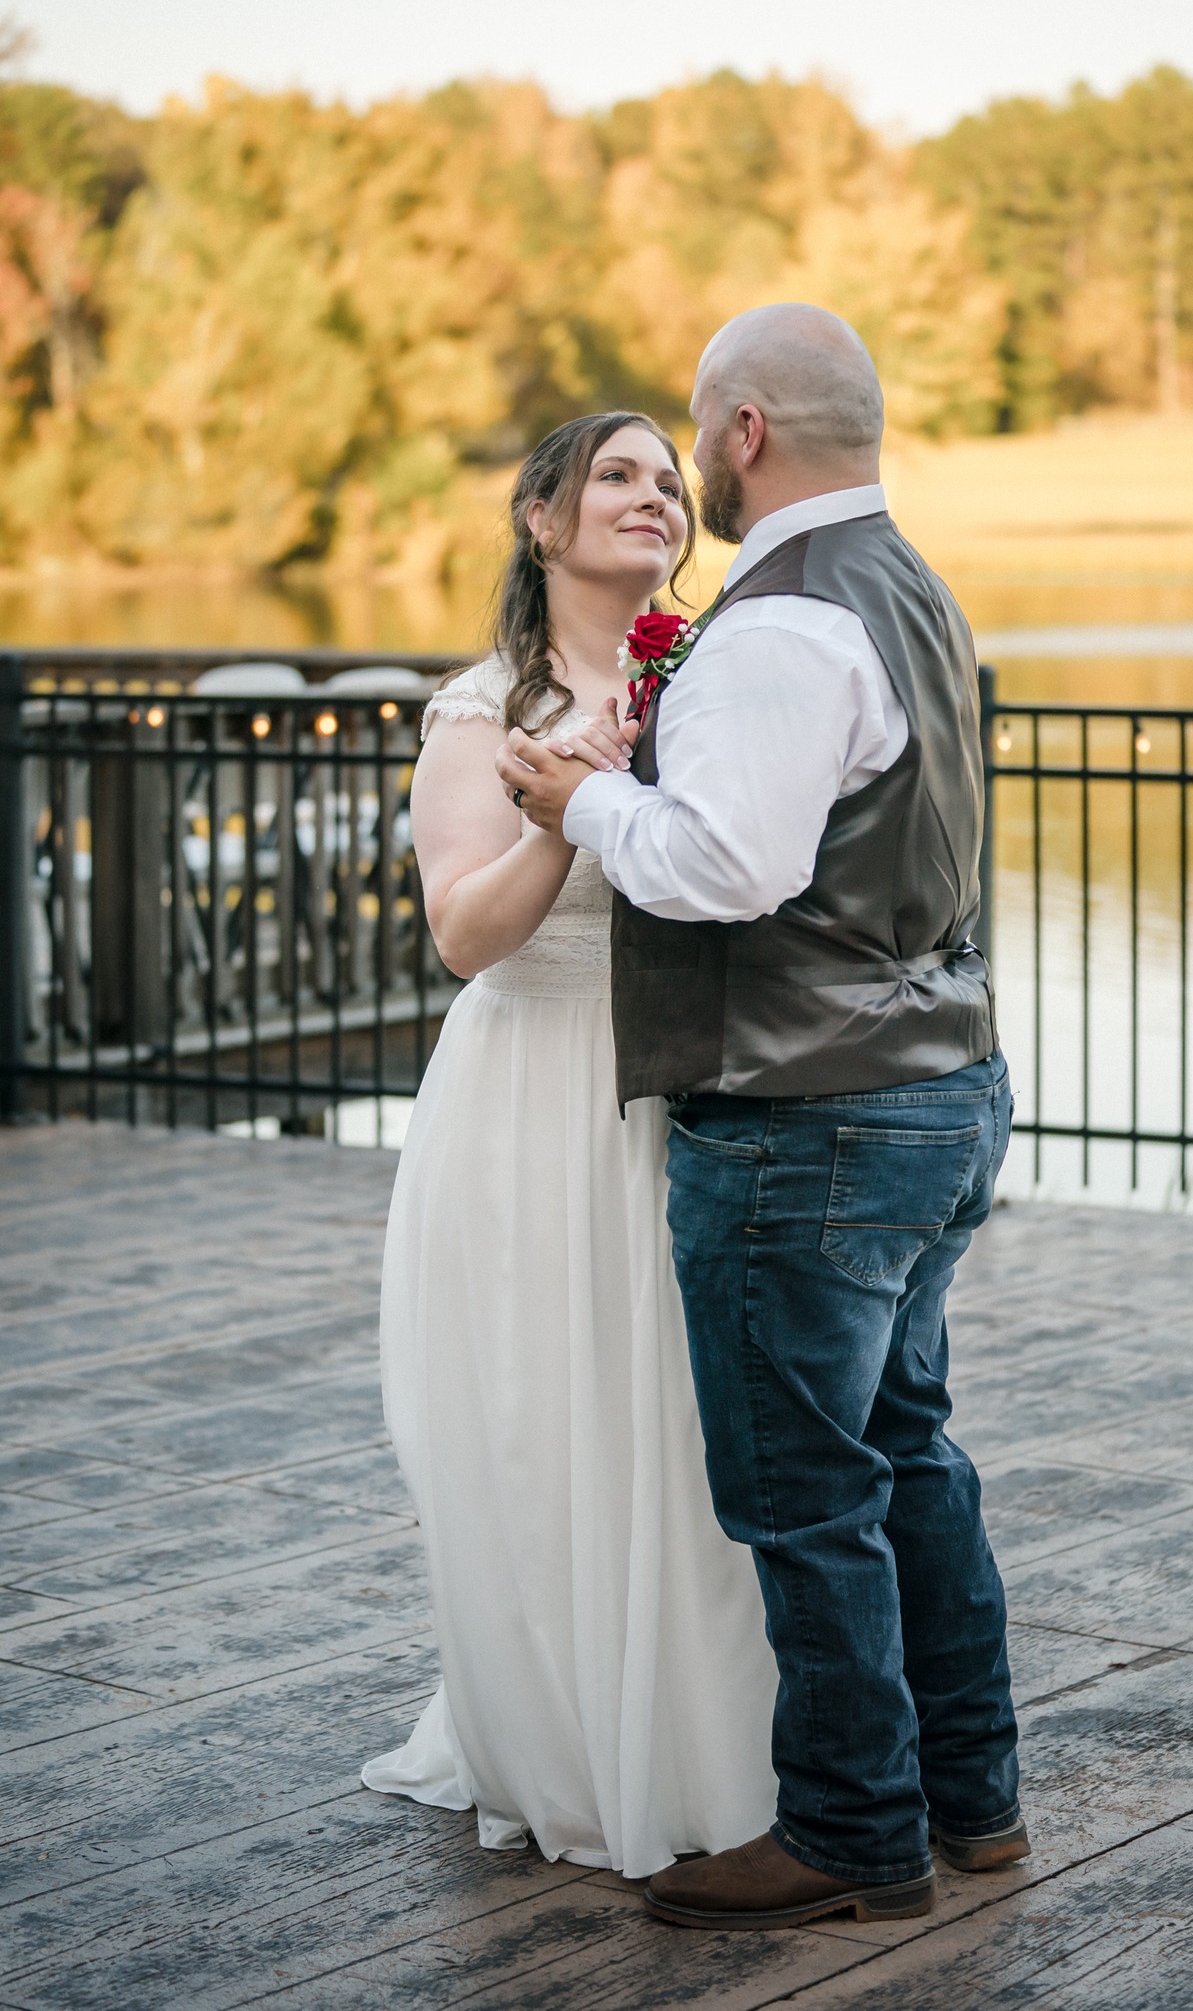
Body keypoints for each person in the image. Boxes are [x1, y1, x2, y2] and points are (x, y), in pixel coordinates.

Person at [496, 304, 1028, 1931]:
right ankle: (976, 1804)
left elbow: (726, 869)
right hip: (936, 1088)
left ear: (739, 433)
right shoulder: (908, 587)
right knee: (908, 1456)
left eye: (693, 436)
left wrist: (575, 796)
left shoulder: (783, 623)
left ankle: (854, 1836)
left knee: (806, 1497)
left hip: (810, 1124)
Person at [362, 411, 778, 1877]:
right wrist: (572, 805)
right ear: (540, 518)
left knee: (680, 1427)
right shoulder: (484, 709)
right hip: (534, 1095)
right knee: (550, 1420)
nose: (653, 497)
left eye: (670, 481)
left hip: (685, 1095)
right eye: (617, 474)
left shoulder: (716, 678)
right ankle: (568, 1743)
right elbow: (465, 936)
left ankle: (707, 1743)